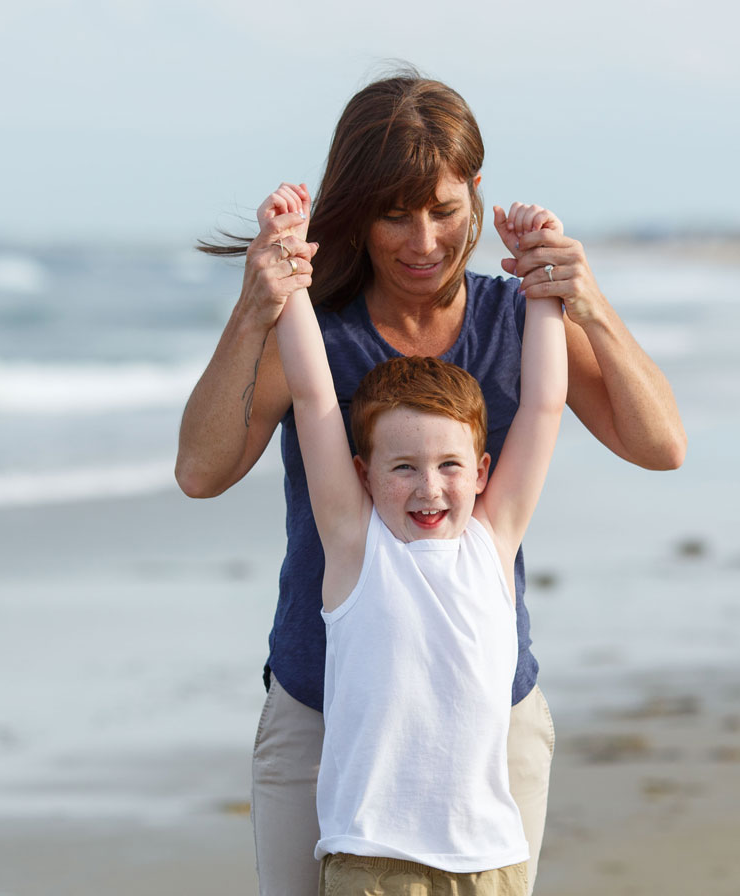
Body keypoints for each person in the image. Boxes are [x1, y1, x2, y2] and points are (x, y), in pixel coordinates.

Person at [177, 68, 685, 896]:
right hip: (321, 718)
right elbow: (200, 471)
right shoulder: (322, 337)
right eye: (393, 214)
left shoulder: (518, 320)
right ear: (356, 212)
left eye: (444, 211)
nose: (422, 241)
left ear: (475, 195)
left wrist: (582, 299)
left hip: (490, 733)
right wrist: (257, 305)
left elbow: (660, 444)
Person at [272, 182, 565, 895]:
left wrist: (543, 281)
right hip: (370, 859)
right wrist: (286, 272)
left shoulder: (492, 539)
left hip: (486, 858)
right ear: (364, 474)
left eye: (449, 467)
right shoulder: (355, 545)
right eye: (403, 467)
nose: (429, 488)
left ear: (482, 471)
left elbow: (544, 403)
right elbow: (313, 398)